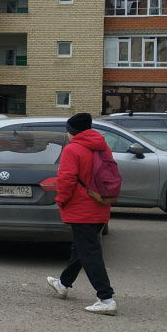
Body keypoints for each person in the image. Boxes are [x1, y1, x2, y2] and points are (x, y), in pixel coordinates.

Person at [47, 113, 117, 314]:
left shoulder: (72, 149)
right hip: (100, 204)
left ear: (73, 132)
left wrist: (61, 200)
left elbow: (66, 179)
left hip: (81, 207)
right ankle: (63, 284)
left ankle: (106, 298)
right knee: (81, 248)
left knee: (89, 252)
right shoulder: (103, 147)